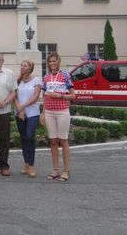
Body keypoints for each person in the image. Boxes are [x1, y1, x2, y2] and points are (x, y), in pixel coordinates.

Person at [42, 52, 76, 182]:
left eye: (54, 61)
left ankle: (66, 171)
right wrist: (43, 113)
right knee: (53, 141)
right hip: (49, 112)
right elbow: (45, 96)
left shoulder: (65, 75)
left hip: (62, 111)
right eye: (50, 62)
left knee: (64, 141)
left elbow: (73, 96)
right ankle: (55, 170)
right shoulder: (46, 77)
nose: (52, 64)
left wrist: (60, 96)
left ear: (58, 62)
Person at [13, 60, 42, 178]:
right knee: (24, 138)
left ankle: (31, 165)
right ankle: (26, 164)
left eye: (25, 65)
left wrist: (22, 107)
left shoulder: (36, 80)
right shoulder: (17, 80)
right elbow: (13, 96)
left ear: (30, 68)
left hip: (32, 113)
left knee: (30, 137)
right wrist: (19, 109)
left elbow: (35, 98)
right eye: (21, 65)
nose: (22, 67)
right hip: (19, 113)